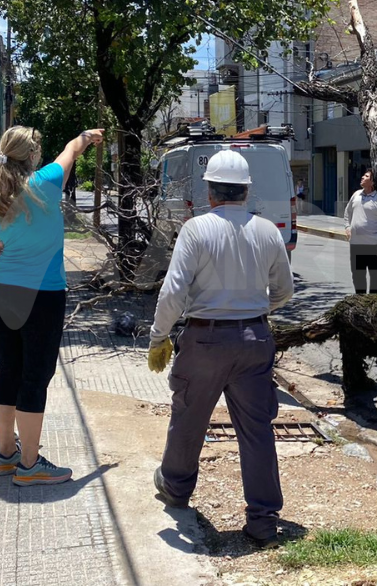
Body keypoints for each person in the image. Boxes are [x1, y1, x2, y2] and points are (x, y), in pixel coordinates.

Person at [0, 125, 103, 486]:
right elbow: (71, 150)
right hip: (42, 294)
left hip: (1, 291)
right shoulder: (46, 181)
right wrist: (86, 137)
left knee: (8, 370)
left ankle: (6, 455)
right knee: (34, 377)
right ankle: (30, 465)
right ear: (31, 155)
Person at [147, 150, 294, 549]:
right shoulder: (267, 231)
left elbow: (173, 291)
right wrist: (255, 311)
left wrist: (159, 336)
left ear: (210, 190)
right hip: (255, 341)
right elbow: (284, 291)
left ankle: (176, 488)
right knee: (257, 430)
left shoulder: (196, 229)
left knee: (189, 418)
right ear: (246, 191)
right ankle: (263, 520)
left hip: (205, 339)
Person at [343, 170, 377, 295]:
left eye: (366, 176)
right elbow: (347, 212)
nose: (362, 177)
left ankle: (374, 305)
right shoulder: (356, 195)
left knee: (375, 276)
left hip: (373, 246)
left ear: (373, 182)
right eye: (363, 175)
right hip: (355, 245)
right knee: (357, 276)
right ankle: (360, 303)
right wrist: (347, 227)